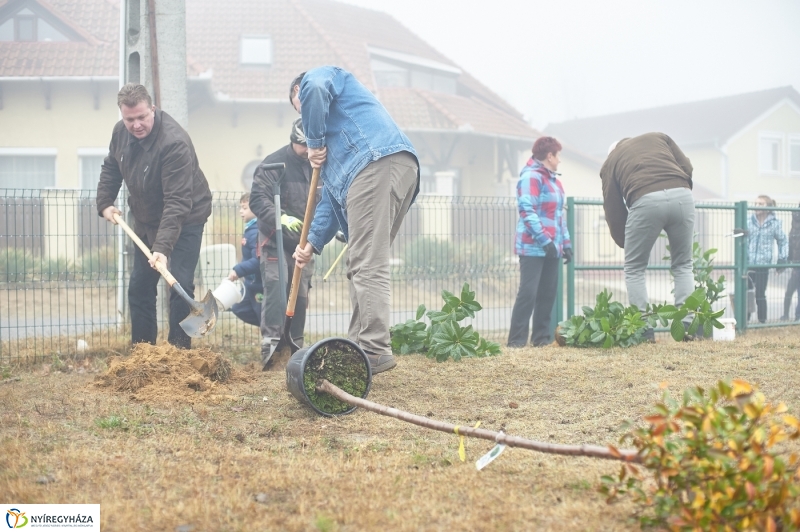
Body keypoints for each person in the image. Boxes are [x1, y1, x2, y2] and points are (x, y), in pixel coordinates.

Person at [289, 67, 420, 374]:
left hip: (375, 161)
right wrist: (311, 244)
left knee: (366, 263)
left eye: (304, 108)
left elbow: (316, 89)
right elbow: (331, 201)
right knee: (360, 261)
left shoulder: (317, 79)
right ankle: (360, 347)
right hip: (387, 167)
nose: (307, 116)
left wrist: (314, 141)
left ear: (299, 92)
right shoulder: (339, 159)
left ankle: (373, 348)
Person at [96, 83, 212, 348]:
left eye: (141, 117)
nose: (136, 125)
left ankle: (178, 354)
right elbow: (112, 167)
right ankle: (143, 352)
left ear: (153, 109)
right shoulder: (120, 133)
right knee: (139, 286)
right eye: (129, 119)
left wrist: (162, 248)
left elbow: (177, 201)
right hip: (146, 219)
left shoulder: (174, 143)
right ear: (122, 116)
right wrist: (104, 202)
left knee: (179, 285)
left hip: (186, 216)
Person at [600, 132, 695, 342]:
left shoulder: (612, 161)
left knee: (634, 268)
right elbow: (686, 166)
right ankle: (688, 325)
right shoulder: (658, 137)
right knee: (683, 265)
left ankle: (644, 329)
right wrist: (681, 188)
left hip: (645, 199)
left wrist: (625, 241)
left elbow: (612, 207)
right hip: (683, 196)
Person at [249, 118, 314, 367]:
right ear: (293, 141)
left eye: (312, 146)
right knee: (277, 289)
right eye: (303, 146)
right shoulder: (274, 164)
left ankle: (294, 342)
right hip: (274, 238)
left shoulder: (318, 164)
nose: (308, 151)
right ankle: (272, 342)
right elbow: (257, 199)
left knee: (300, 294)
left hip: (303, 243)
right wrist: (280, 218)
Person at [507, 137, 572, 348]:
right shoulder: (531, 177)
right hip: (532, 246)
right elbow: (527, 210)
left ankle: (541, 340)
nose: (560, 160)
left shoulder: (554, 181)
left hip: (552, 247)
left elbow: (558, 216)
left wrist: (566, 243)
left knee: (547, 293)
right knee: (528, 293)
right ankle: (516, 341)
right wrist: (544, 240)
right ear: (549, 156)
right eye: (558, 155)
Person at [747, 195, 788, 323]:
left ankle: (762, 321)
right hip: (748, 264)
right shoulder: (748, 221)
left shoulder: (774, 224)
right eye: (756, 203)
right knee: (747, 293)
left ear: (768, 208)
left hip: (763, 265)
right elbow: (742, 241)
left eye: (761, 204)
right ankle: (744, 321)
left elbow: (783, 241)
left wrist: (782, 259)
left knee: (759, 294)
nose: (757, 206)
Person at [227, 193, 263, 326]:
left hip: (258, 285)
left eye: (245, 208)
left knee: (263, 315)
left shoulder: (256, 232)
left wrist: (238, 270)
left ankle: (275, 339)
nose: (241, 211)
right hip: (250, 284)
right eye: (240, 207)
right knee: (239, 308)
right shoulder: (250, 230)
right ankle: (267, 326)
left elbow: (258, 260)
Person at [781, 203, 800, 322]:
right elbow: (791, 245)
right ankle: (787, 315)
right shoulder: (794, 229)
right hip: (795, 264)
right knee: (790, 291)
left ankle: (796, 316)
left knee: (793, 291)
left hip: (796, 264)